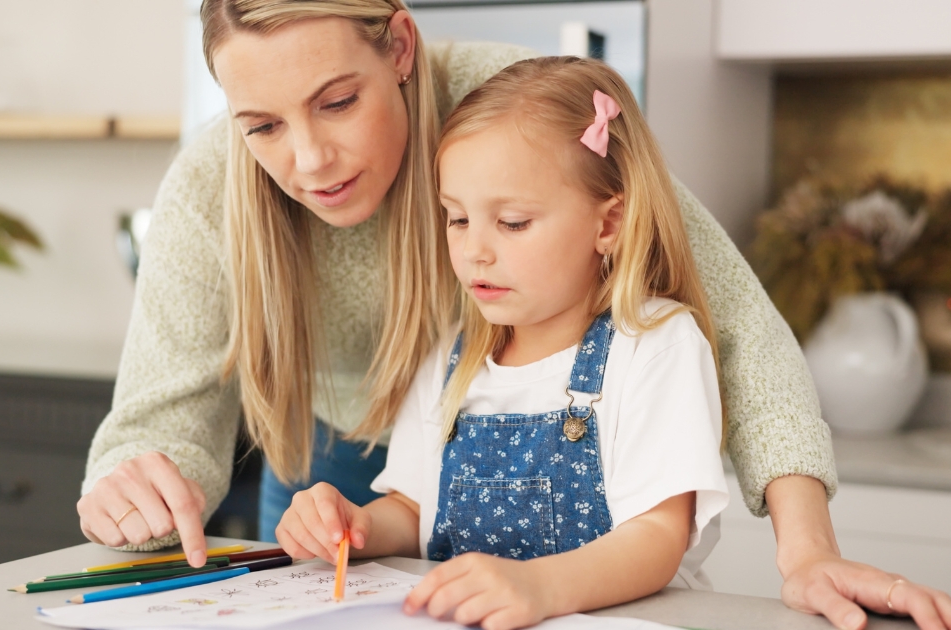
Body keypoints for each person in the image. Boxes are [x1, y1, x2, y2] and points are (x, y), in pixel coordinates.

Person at [76, 2, 951, 629]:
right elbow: (163, 433)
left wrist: (805, 552)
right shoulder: (212, 188)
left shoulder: (514, 115)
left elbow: (735, 329)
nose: (309, 159)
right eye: (261, 126)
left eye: (339, 101)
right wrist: (136, 488)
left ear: (399, 47)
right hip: (347, 462)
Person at [278, 56, 729, 630]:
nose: (474, 252)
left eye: (512, 222)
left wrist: (537, 586)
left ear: (608, 223)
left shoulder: (655, 344)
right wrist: (352, 526)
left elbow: (658, 537)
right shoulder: (452, 357)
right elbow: (415, 509)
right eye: (457, 219)